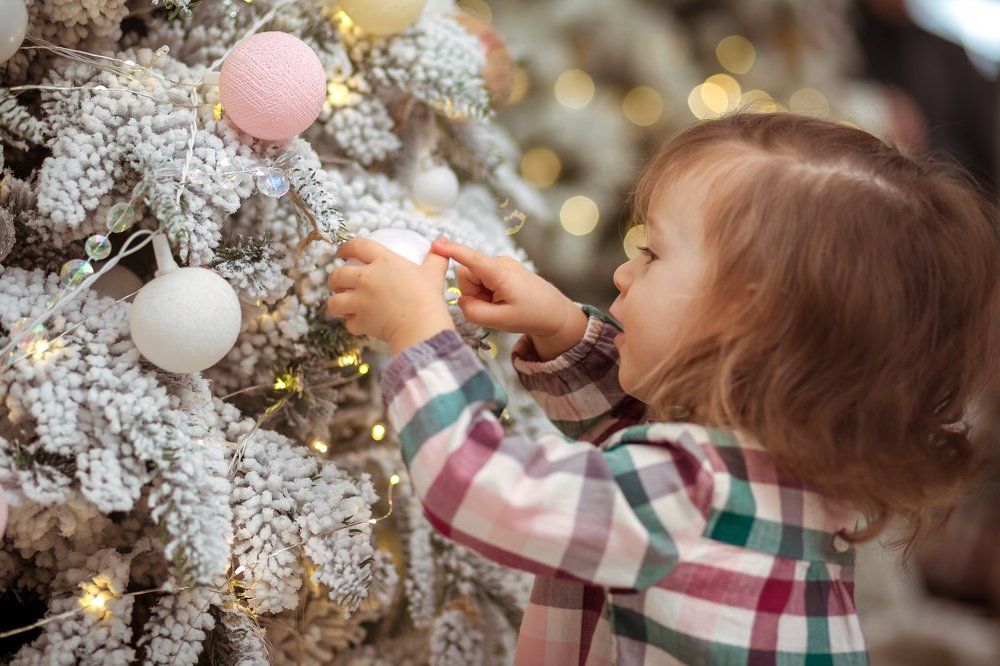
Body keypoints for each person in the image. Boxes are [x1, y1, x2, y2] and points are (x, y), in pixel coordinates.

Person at [325, 112, 1000, 664]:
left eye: (652, 253)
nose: (623, 273)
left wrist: (417, 327)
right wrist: (562, 328)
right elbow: (635, 431)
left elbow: (478, 486)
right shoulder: (777, 469)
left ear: (744, 310)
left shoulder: (693, 493)